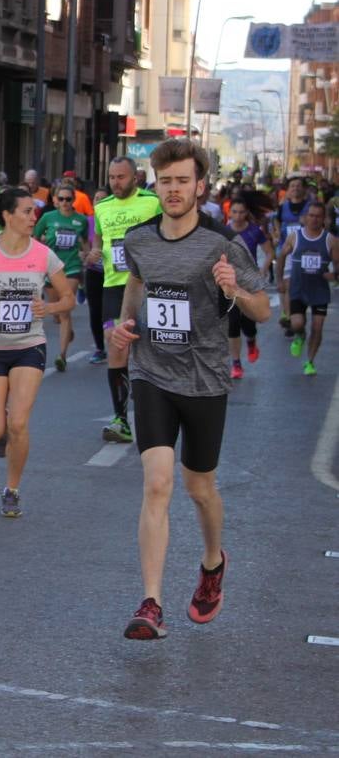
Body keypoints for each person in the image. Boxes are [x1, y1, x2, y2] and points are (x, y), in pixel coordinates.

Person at [109, 139, 269, 640]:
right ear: (154, 183)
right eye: (166, 181)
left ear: (200, 185)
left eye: (183, 181)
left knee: (200, 488)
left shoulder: (223, 245)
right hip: (152, 372)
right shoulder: (139, 240)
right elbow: (136, 286)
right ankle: (151, 602)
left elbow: (263, 310)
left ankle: (212, 562)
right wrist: (123, 327)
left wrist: (233, 291)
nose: (173, 190)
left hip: (205, 379)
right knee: (157, 483)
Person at [0, 188, 73, 518]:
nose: (33, 216)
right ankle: (3, 437)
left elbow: (68, 298)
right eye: (26, 211)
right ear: (7, 216)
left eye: (34, 211)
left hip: (29, 347)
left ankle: (12, 489)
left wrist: (48, 307)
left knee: (18, 422)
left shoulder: (44, 255)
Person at [92, 156, 162, 443]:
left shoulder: (152, 203)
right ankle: (121, 418)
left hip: (147, 286)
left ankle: (157, 410)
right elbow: (98, 239)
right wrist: (95, 253)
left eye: (121, 177)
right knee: (115, 343)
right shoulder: (102, 207)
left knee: (148, 350)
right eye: (111, 177)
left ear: (135, 178)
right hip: (113, 286)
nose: (115, 183)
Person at [275, 201, 338, 376]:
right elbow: (280, 258)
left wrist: (334, 275)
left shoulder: (330, 240)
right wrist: (279, 281)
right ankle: (300, 335)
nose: (314, 219)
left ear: (323, 219)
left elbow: (337, 267)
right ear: (305, 218)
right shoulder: (295, 237)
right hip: (298, 289)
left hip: (319, 292)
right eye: (311, 215)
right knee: (297, 323)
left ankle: (310, 362)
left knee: (317, 328)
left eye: (318, 216)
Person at [32, 182, 88, 371]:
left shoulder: (80, 220)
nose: (65, 202)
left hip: (71, 267)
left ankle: (62, 356)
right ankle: (67, 329)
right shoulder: (48, 217)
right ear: (55, 200)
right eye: (61, 199)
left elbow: (85, 243)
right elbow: (34, 237)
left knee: (64, 310)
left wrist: (86, 254)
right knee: (57, 313)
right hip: (50, 268)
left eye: (68, 199)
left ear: (73, 200)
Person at [224, 193, 275, 379]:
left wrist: (263, 270)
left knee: (248, 325)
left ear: (246, 213)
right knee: (233, 324)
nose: (237, 216)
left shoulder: (254, 231)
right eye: (234, 212)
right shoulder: (224, 231)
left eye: (241, 212)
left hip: (249, 284)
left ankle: (252, 341)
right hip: (230, 283)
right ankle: (236, 364)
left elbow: (269, 252)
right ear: (229, 213)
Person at [273, 176, 314, 328]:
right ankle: (287, 313)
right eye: (292, 186)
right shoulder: (283, 207)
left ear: (304, 189)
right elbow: (276, 221)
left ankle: (294, 314)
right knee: (286, 283)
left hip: (306, 250)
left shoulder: (310, 207)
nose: (295, 188)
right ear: (288, 190)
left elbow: (321, 224)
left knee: (298, 285)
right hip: (286, 250)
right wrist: (277, 233)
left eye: (298, 185)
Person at [84, 186, 110, 364]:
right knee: (95, 311)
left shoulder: (113, 217)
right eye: (96, 198)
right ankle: (100, 348)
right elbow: (82, 243)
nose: (99, 201)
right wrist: (86, 254)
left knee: (110, 310)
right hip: (94, 270)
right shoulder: (88, 221)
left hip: (113, 272)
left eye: (103, 198)